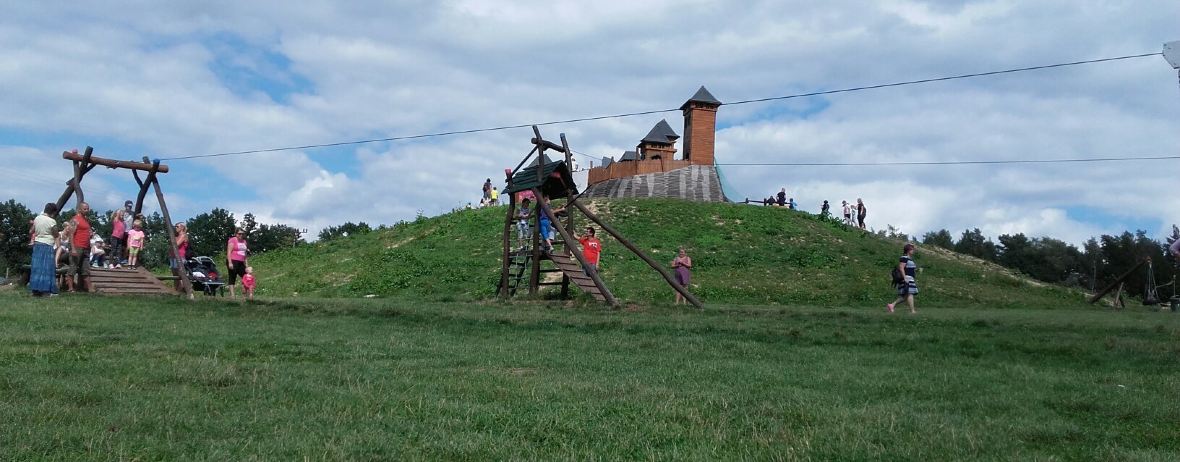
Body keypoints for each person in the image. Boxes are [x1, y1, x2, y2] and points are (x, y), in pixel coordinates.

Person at [28, 203, 60, 296]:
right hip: (47, 245)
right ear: (53, 212)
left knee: (37, 268)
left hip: (37, 245)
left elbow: (31, 231)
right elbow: (56, 234)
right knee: (47, 268)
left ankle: (35, 290)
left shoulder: (37, 218)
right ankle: (46, 291)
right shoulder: (52, 221)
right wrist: (58, 244)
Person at [65, 201, 93, 292]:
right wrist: (73, 248)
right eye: (85, 209)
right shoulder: (75, 219)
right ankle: (70, 288)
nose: (87, 210)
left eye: (88, 208)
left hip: (86, 247)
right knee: (73, 267)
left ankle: (90, 288)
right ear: (80, 209)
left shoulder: (86, 220)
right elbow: (71, 234)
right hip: (77, 246)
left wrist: (90, 235)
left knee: (86, 268)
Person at [887, 243, 919, 314]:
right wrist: (905, 278)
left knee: (905, 296)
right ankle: (912, 311)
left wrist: (915, 270)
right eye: (912, 249)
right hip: (907, 278)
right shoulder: (904, 258)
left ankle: (892, 305)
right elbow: (901, 267)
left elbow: (908, 268)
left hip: (910, 278)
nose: (913, 251)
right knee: (910, 293)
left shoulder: (910, 259)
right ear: (908, 250)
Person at [226, 228, 249, 297]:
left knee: (246, 277)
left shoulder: (244, 241)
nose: (241, 235)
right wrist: (230, 263)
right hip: (233, 260)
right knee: (232, 277)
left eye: (242, 234)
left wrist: (247, 265)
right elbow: (229, 252)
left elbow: (245, 254)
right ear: (236, 234)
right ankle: (232, 295)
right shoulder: (232, 240)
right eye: (239, 234)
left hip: (241, 262)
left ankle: (245, 295)